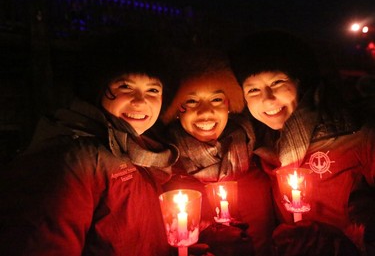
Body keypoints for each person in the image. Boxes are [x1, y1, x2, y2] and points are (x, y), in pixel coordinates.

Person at [0, 29, 179, 256]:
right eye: (125, 86)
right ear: (96, 90)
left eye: (153, 89)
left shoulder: (142, 151)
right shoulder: (73, 159)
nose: (140, 100)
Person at [229, 29, 375, 256]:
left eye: (277, 82)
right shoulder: (257, 149)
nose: (267, 98)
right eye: (253, 89)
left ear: (300, 82)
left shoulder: (354, 134)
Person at [161, 49, 276, 256]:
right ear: (177, 109)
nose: (205, 112)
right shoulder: (162, 169)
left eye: (216, 100)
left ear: (229, 105)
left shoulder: (258, 155)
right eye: (192, 101)